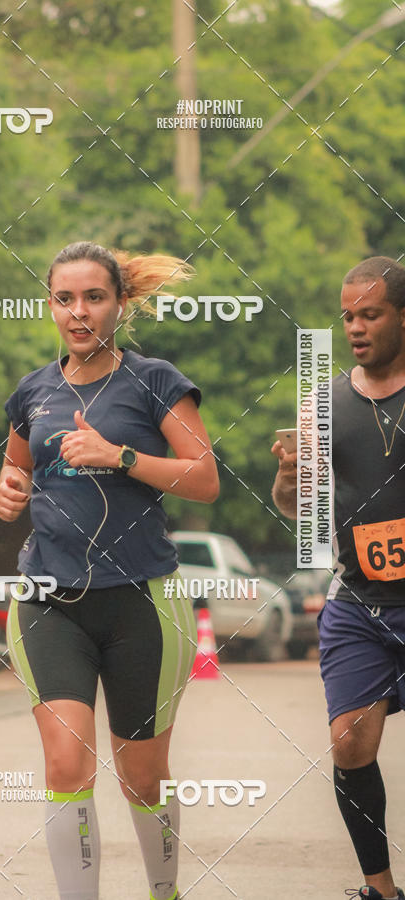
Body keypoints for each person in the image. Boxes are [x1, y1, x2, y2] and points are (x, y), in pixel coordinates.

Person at [0, 241, 219, 900]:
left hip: (139, 602)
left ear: (120, 304)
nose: (79, 312)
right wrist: (8, 492)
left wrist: (119, 456)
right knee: (67, 764)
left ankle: (164, 891)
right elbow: (17, 468)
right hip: (49, 598)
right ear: (51, 306)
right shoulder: (33, 391)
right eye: (65, 299)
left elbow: (204, 479)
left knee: (142, 778)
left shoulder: (154, 381)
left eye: (94, 297)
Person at [271, 256, 405, 900]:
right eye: (348, 315)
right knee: (349, 742)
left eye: (371, 314)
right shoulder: (323, 402)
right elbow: (302, 509)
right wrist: (292, 478)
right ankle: (379, 890)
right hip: (359, 601)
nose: (355, 326)